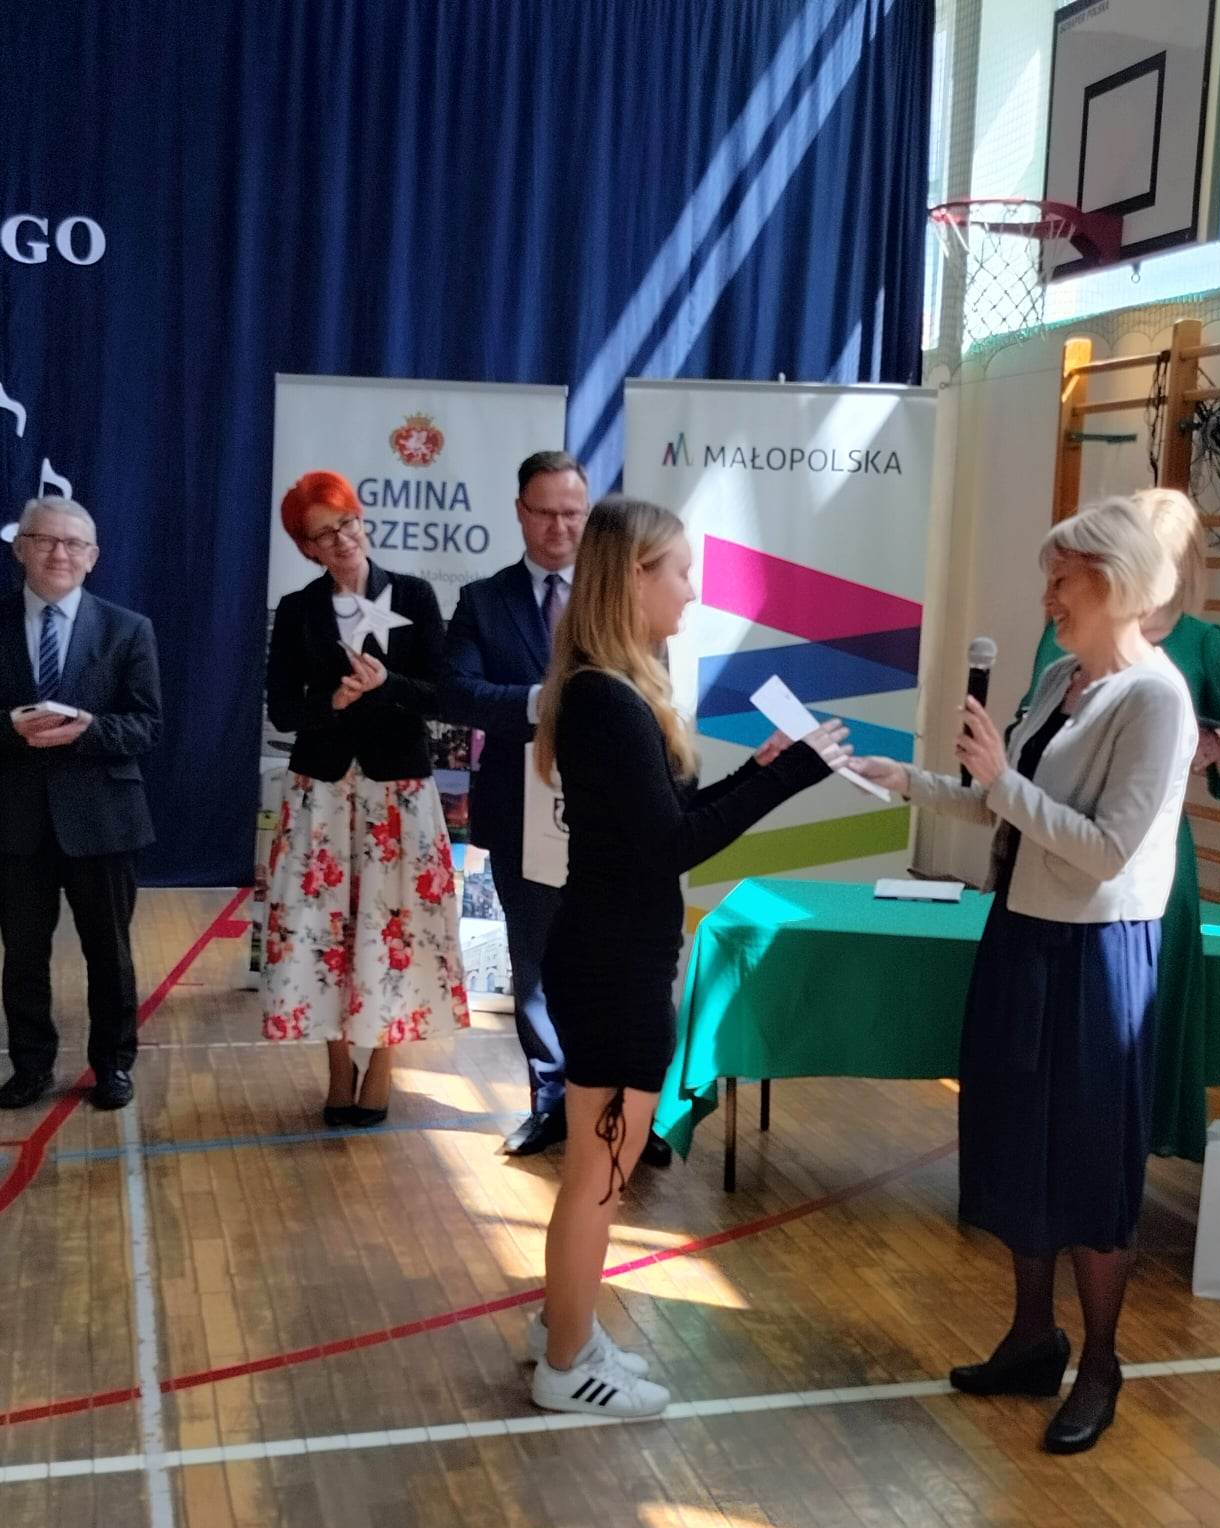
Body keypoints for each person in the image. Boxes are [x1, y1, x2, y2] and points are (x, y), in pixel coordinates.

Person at [850, 497, 1197, 1454]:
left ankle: (1102, 1364)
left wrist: (1002, 779)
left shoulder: (1156, 698)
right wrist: (910, 782)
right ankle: (1033, 1338)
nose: (1047, 596)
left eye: (1062, 579)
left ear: (1116, 583)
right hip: (1023, 934)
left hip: (1097, 954)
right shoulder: (1059, 679)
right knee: (1016, 1140)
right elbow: (1000, 804)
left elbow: (1107, 849)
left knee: (1089, 1162)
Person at [527, 496, 848, 1417]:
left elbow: (662, 823)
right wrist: (791, 775)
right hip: (613, 964)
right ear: (633, 577)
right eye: (679, 571)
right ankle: (563, 1366)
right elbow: (673, 846)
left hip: (612, 951)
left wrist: (762, 770)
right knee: (600, 1176)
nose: (692, 591)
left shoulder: (610, 693)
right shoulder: (606, 700)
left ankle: (567, 1329)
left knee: (599, 1172)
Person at [441, 452, 673, 1168]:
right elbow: (458, 693)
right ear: (520, 512)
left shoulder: (627, 596)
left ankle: (632, 1107)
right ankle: (552, 1101)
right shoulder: (483, 601)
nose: (560, 527)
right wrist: (544, 704)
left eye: (573, 513)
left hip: (616, 822)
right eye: (544, 512)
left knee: (625, 964)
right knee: (537, 964)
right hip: (521, 815)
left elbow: (654, 697)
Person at [1023, 487, 1220, 1160]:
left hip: (1147, 849)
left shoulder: (1206, 645)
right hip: (1052, 834)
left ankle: (1123, 1154)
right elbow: (1029, 725)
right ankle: (1059, 1155)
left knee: (1135, 1013)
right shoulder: (1062, 635)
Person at [263, 472, 468, 1123]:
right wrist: (332, 702)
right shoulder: (298, 609)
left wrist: (385, 687)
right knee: (321, 929)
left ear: (363, 520)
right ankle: (336, 1066)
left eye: (347, 522)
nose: (342, 539)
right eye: (323, 534)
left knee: (395, 926)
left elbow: (442, 695)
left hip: (397, 794)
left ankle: (381, 1062)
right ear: (308, 548)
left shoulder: (415, 595)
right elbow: (281, 711)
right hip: (321, 794)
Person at [0, 498, 162, 1112]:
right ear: (20, 547)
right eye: (45, 540)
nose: (59, 553)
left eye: (73, 544)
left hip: (104, 820)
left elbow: (146, 726)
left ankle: (113, 1064)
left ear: (92, 557)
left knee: (110, 954)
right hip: (16, 820)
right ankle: (30, 1067)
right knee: (23, 955)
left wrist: (87, 730)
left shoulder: (128, 628)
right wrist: (10, 728)